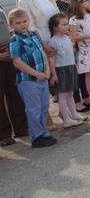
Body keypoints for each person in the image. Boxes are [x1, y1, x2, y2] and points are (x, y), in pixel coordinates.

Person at [8, 8, 57, 148]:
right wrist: (36, 74)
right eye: (18, 23)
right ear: (11, 25)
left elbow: (42, 52)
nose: (22, 25)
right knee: (33, 109)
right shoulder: (15, 40)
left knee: (44, 107)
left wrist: (47, 70)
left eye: (24, 21)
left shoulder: (33, 35)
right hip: (28, 80)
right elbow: (17, 62)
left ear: (29, 21)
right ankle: (36, 136)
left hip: (42, 77)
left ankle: (43, 132)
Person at [47, 13, 88, 128]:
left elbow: (71, 54)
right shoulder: (53, 41)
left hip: (70, 67)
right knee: (63, 95)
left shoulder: (67, 39)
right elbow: (52, 59)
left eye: (67, 24)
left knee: (70, 93)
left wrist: (75, 66)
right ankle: (66, 118)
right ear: (55, 27)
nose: (67, 27)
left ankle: (74, 114)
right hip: (61, 70)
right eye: (64, 24)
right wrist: (54, 74)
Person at [0, 7, 28, 147]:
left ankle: (21, 127)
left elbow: (9, 32)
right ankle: (3, 134)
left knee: (14, 92)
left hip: (8, 51)